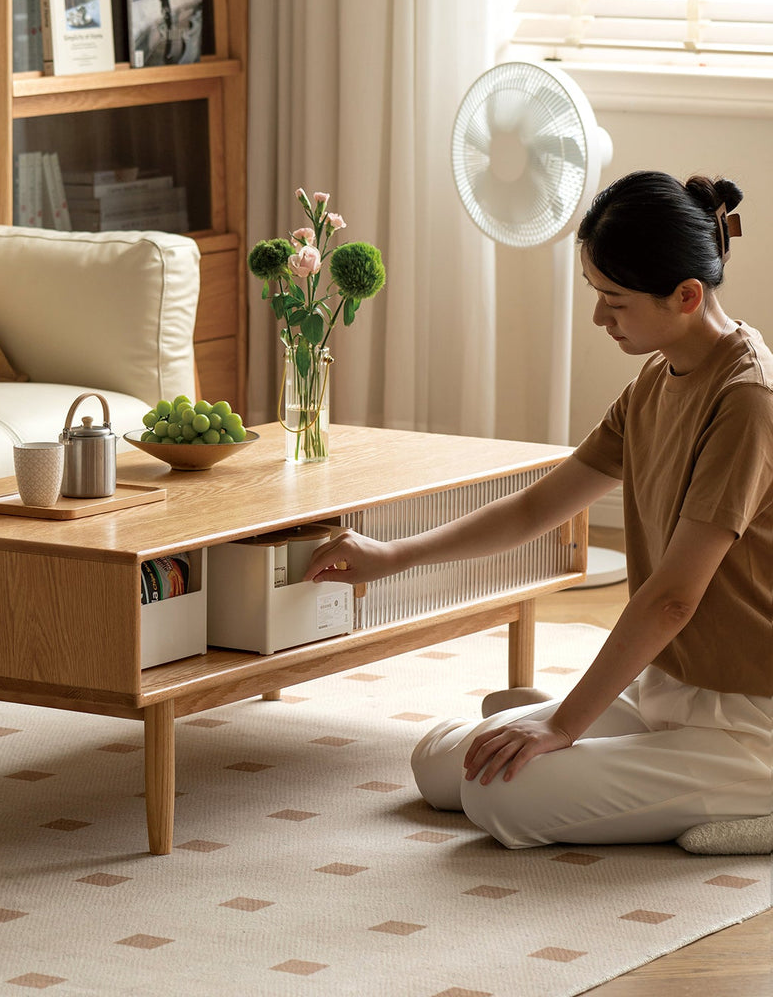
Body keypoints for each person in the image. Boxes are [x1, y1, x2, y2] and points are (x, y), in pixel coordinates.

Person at [303, 171, 773, 853]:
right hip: (670, 689)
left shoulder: (747, 402)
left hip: (747, 719)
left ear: (686, 296)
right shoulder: (656, 378)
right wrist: (394, 554)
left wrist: (563, 728)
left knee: (504, 795)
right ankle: (574, 738)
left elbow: (672, 599)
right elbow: (536, 509)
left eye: (614, 300)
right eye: (596, 294)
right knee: (441, 766)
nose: (598, 319)